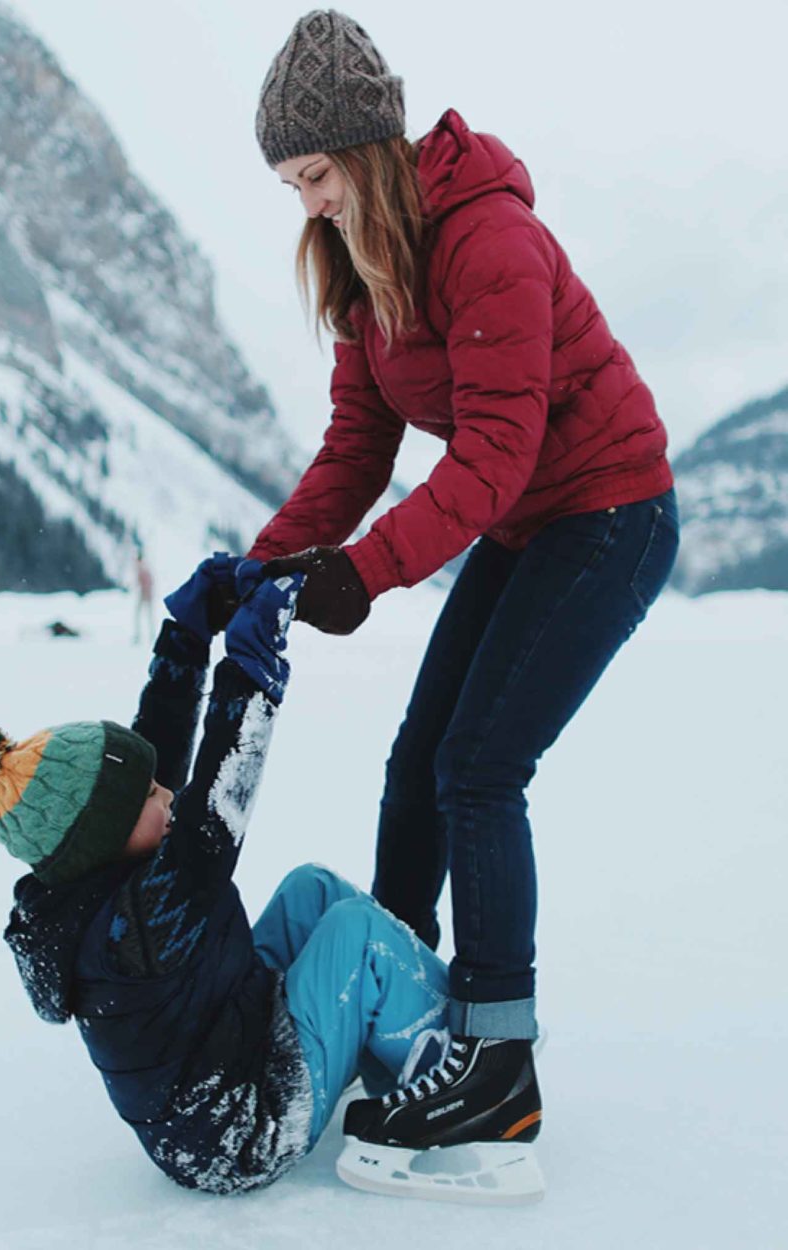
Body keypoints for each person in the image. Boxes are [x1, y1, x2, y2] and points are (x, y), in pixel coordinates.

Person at [237, 9, 680, 1178]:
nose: (308, 205)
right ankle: (399, 1001)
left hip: (609, 512)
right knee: (415, 759)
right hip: (530, 516)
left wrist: (364, 574)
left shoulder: (486, 240)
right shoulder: (359, 263)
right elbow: (354, 450)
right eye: (290, 183)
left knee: (477, 769)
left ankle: (494, 1065)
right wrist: (259, 565)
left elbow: (491, 454)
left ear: (367, 151)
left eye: (317, 175)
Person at [0, 557, 532, 1202]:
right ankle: (476, 1081)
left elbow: (155, 756)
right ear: (108, 834)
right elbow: (215, 811)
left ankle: (436, 1025)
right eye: (152, 795)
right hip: (243, 1128)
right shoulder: (138, 923)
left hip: (229, 1037)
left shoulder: (96, 874)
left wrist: (185, 635)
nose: (166, 796)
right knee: (357, 935)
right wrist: (252, 673)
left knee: (310, 890)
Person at [131, 546, 155, 644]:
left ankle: (141, 635)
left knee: (141, 614)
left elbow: (145, 582)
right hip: (146, 593)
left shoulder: (141, 567)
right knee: (146, 615)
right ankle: (148, 634)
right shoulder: (144, 567)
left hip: (145, 593)